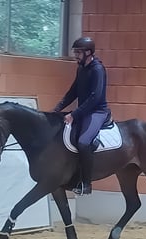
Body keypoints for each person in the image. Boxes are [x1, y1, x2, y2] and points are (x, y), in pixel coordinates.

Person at [53, 36, 111, 195]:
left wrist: (74, 114)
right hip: (84, 111)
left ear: (88, 52)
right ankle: (73, 176)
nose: (75, 55)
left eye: (78, 52)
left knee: (84, 142)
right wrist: (56, 109)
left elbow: (96, 97)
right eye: (75, 52)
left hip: (98, 112)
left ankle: (86, 183)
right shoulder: (81, 68)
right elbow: (73, 92)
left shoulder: (97, 69)